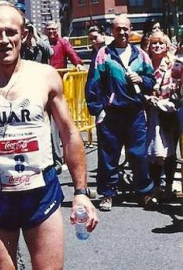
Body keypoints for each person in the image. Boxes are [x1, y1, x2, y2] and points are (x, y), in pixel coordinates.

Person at [0, 4, 98, 269]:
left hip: (41, 191)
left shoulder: (45, 76)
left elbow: (69, 133)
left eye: (11, 32)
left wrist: (81, 192)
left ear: (24, 35)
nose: (4, 40)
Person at [85, 15, 157, 211]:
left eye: (126, 29)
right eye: (118, 29)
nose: (122, 33)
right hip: (111, 115)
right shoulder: (103, 55)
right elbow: (93, 85)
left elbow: (152, 82)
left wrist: (141, 80)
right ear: (112, 31)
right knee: (108, 157)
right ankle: (107, 194)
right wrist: (98, 111)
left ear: (131, 29)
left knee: (139, 155)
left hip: (135, 114)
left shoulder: (141, 55)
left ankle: (144, 193)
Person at [146, 32, 179, 201]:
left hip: (169, 112)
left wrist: (164, 96)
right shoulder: (145, 63)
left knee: (169, 152)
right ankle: (156, 187)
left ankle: (168, 186)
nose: (157, 46)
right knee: (153, 152)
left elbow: (178, 85)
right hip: (149, 113)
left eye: (161, 43)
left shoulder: (174, 64)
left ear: (166, 46)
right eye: (154, 43)